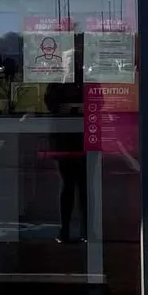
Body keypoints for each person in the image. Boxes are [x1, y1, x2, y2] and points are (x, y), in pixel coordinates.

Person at [45, 81, 87, 244]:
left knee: (84, 188)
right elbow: (52, 104)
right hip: (63, 140)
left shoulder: (86, 82)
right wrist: (77, 107)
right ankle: (65, 229)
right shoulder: (57, 84)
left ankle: (86, 229)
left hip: (84, 140)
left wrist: (69, 107)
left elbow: (98, 103)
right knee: (67, 185)